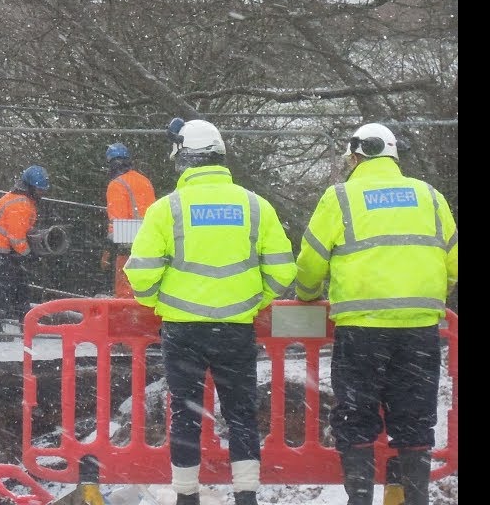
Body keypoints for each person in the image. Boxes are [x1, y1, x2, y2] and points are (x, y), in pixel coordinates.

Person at [124, 118, 295, 505]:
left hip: (183, 330)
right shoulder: (256, 206)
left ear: (182, 159)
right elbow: (284, 270)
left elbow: (142, 275)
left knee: (185, 414)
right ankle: (246, 495)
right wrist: (253, 300)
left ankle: (187, 496)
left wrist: (158, 303)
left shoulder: (167, 209)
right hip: (236, 328)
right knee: (241, 414)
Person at [294, 123, 458, 505]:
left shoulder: (341, 198)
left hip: (361, 333)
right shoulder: (430, 197)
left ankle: (361, 498)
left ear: (356, 156)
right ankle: (416, 499)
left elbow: (311, 263)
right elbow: (453, 264)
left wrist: (307, 294)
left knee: (356, 420)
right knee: (415, 423)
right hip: (420, 331)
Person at [0, 165, 49, 340]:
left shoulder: (20, 199)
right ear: (31, 188)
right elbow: (16, 237)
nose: (42, 193)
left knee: (17, 285)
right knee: (5, 286)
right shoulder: (21, 204)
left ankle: (22, 324)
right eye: (39, 189)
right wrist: (27, 254)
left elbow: (20, 230)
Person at [100, 142, 156, 297]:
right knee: (146, 288)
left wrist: (107, 251)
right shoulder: (144, 180)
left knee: (125, 291)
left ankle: (127, 317)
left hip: (128, 243)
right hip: (151, 240)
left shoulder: (116, 185)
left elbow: (116, 226)